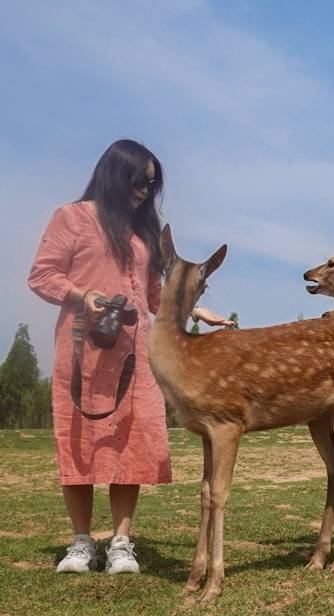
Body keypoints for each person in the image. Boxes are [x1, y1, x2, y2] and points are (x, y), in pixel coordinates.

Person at [27, 140, 231, 574]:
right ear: (115, 174)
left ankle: (121, 540)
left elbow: (154, 295)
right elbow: (42, 275)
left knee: (129, 444)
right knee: (79, 443)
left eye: (151, 185)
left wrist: (195, 311)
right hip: (83, 347)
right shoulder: (71, 217)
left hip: (135, 354)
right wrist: (84, 297)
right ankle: (82, 542)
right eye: (139, 181)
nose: (144, 191)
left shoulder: (143, 235)